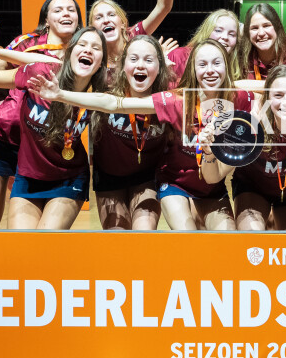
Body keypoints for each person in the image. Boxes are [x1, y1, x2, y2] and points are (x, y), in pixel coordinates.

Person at [29, 38, 253, 231]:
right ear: (193, 69)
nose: (210, 70)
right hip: (171, 183)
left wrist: (211, 152)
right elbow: (114, 103)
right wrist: (60, 95)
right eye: (202, 64)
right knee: (183, 237)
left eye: (217, 63)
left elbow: (268, 89)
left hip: (211, 185)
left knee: (226, 240)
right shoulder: (177, 100)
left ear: (227, 66)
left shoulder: (241, 100)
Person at [0, 18, 108, 229]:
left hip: (68, 178)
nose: (88, 50)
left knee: (45, 237)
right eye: (82, 44)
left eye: (96, 48)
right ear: (70, 52)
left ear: (102, 61)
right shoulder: (41, 73)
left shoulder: (103, 88)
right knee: (20, 241)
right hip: (28, 176)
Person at [0, 0, 82, 228]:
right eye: (58, 10)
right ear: (46, 19)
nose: (66, 13)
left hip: (44, 150)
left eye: (71, 9)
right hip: (2, 137)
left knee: (38, 227)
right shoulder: (26, 43)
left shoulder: (84, 52)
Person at [200, 65, 286, 230]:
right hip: (253, 190)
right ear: (267, 97)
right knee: (252, 238)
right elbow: (213, 177)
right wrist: (208, 153)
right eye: (278, 95)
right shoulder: (253, 126)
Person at [167, 9, 243, 83]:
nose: (225, 37)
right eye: (218, 30)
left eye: (232, 34)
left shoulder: (236, 66)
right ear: (207, 31)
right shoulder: (179, 56)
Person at [237, 3, 286, 80]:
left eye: (266, 26)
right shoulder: (242, 57)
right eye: (254, 28)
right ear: (247, 32)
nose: (261, 33)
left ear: (277, 27)